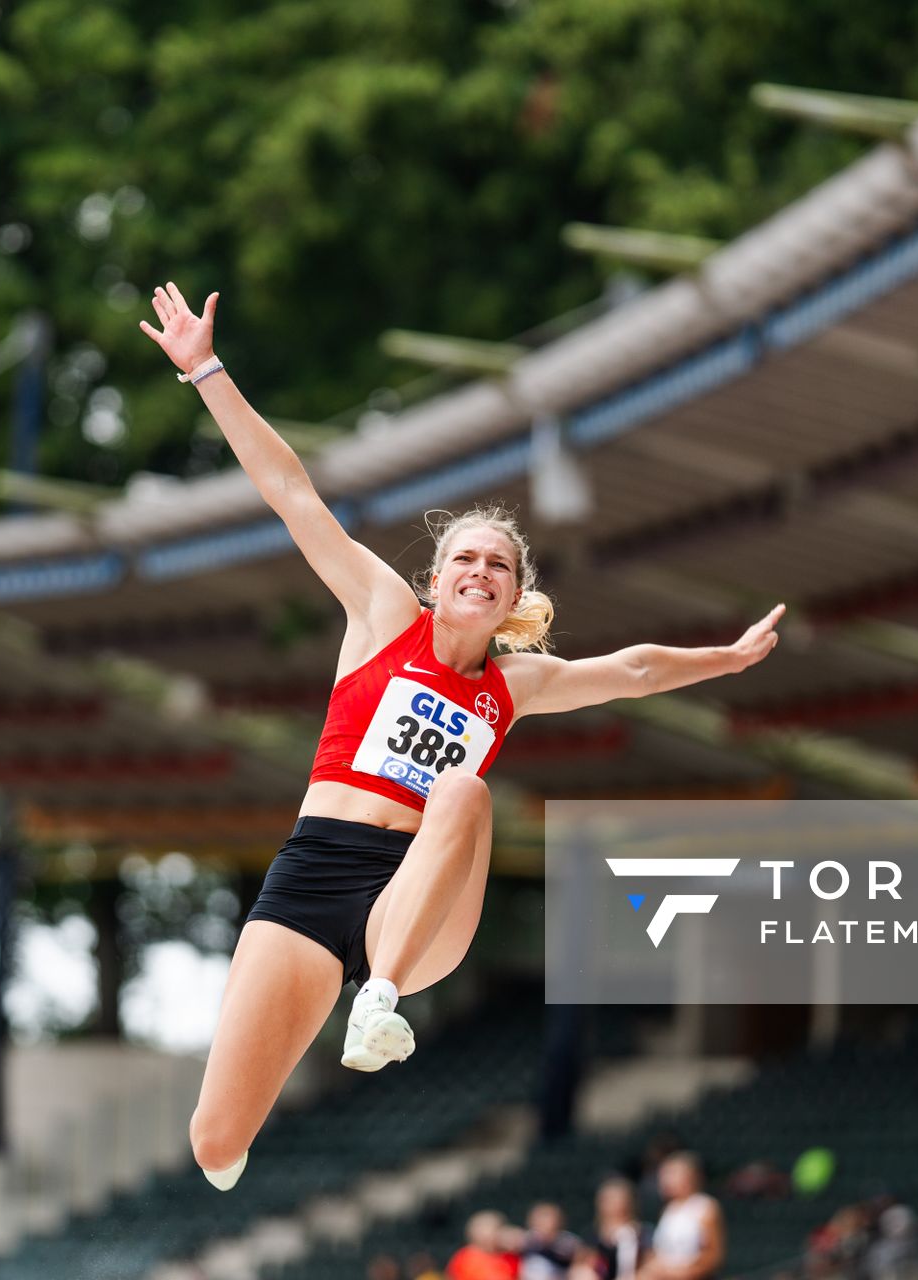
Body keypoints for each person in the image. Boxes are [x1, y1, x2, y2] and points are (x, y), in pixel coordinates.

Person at [141, 282, 787, 1193]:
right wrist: (205, 369)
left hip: (419, 895)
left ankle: (380, 997)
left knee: (463, 790)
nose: (481, 571)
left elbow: (634, 670)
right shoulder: (379, 613)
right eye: (466, 560)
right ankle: (319, 1036)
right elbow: (291, 491)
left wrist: (724, 660)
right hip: (317, 869)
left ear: (515, 597)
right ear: (436, 580)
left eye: (500, 565)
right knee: (214, 1148)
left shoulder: (514, 685)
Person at [643, 1152, 724, 1280]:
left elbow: (713, 1256)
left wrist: (682, 1273)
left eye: (672, 1173)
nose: (666, 1179)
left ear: (690, 1176)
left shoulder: (705, 1207)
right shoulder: (668, 1210)